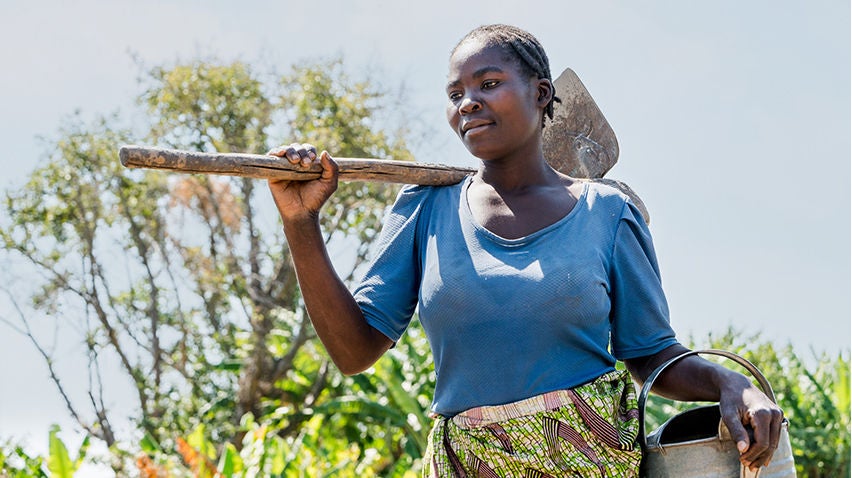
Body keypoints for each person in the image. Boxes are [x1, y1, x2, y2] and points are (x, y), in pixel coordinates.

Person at [267, 24, 784, 477]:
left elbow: (651, 356)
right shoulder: (426, 210)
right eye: (455, 93)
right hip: (467, 465)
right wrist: (301, 222)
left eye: (488, 84)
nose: (467, 102)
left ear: (541, 94)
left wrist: (727, 380)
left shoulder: (605, 213)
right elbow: (354, 352)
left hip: (591, 460)